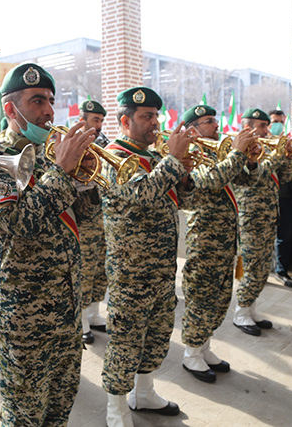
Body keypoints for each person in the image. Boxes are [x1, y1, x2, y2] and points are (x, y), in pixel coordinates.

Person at [0, 63, 97, 426]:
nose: (48, 110)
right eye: (37, 100)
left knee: (59, 410)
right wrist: (62, 173)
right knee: (24, 417)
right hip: (25, 323)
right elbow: (16, 227)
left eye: (51, 101)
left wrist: (84, 177)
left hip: (66, 311)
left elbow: (86, 216)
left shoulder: (52, 155)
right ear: (11, 110)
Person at [101, 87, 199, 427]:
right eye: (146, 117)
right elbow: (140, 195)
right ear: (126, 121)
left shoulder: (157, 158)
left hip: (160, 269)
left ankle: (143, 392)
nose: (154, 123)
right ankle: (116, 407)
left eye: (156, 115)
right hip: (130, 272)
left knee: (156, 335)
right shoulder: (114, 156)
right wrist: (172, 160)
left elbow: (186, 202)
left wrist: (183, 171)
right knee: (125, 341)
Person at [178, 104, 255, 383]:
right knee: (201, 297)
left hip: (225, 239)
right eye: (209, 121)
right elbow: (212, 180)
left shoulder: (218, 152)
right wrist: (236, 153)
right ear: (193, 129)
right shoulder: (192, 154)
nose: (216, 125)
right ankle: (191, 354)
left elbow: (246, 180)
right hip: (206, 240)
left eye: (214, 120)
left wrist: (251, 158)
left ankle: (204, 347)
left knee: (220, 297)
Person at [232, 108, 292, 336]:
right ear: (248, 127)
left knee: (262, 267)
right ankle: (240, 313)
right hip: (251, 216)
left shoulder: (268, 148)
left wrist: (287, 157)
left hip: (269, 215)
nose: (268, 130)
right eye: (263, 126)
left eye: (268, 126)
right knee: (251, 266)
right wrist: (278, 155)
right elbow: (257, 175)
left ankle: (251, 308)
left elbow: (285, 177)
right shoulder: (239, 148)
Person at [75, 99, 108, 344]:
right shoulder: (71, 141)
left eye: (101, 121)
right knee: (85, 270)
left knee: (100, 269)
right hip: (83, 218)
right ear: (82, 118)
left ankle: (94, 313)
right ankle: (82, 321)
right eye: (95, 120)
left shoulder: (105, 143)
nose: (98, 125)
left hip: (103, 216)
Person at [269, 108, 292, 287]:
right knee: (261, 237)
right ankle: (259, 271)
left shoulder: (291, 144)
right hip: (265, 200)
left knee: (284, 237)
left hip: (286, 198)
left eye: (280, 122)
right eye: (274, 121)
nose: (277, 125)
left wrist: (287, 158)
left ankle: (281, 272)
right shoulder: (260, 144)